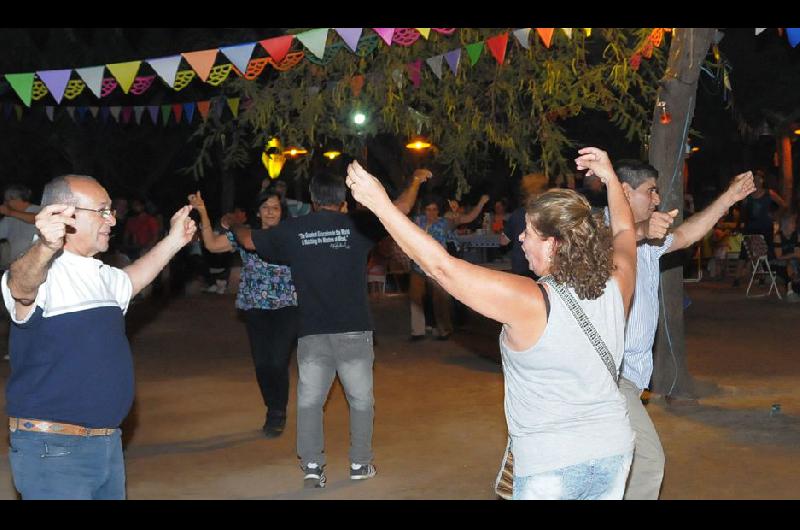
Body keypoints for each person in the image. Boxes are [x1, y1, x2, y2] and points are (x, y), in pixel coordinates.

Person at [345, 147, 638, 500]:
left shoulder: (531, 301)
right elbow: (625, 231)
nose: (520, 239)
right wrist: (609, 177)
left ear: (552, 245)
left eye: (528, 233)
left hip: (552, 463)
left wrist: (381, 206)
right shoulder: (617, 284)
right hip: (614, 450)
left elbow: (443, 268)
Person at [231, 167, 429, 488]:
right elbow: (399, 209)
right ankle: (360, 464)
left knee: (310, 401)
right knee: (361, 400)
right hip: (354, 329)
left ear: (312, 199)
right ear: (343, 199)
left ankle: (311, 467)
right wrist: (416, 180)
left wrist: (233, 223)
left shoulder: (293, 230)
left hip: (312, 330)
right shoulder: (358, 225)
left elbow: (249, 241)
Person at [2, 174, 195, 499]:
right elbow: (20, 287)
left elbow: (134, 279)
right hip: (54, 450)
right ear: (66, 214)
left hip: (106, 444)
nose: (113, 219)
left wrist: (174, 240)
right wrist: (46, 245)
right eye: (103, 211)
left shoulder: (101, 276)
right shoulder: (42, 275)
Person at [611, 160, 755, 499]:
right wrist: (641, 231)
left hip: (630, 378)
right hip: (609, 375)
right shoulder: (604, 230)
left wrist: (729, 198)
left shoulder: (647, 242)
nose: (658, 199)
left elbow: (688, 234)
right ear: (625, 192)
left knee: (613, 462)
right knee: (647, 462)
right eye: (650, 191)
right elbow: (605, 241)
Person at [188, 189, 298, 437]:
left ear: (282, 212)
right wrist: (204, 212)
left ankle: (277, 412)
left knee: (277, 361)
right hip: (255, 306)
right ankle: (272, 408)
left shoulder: (291, 234)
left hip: (287, 306)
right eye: (266, 207)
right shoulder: (247, 234)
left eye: (276, 207)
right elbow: (212, 245)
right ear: (258, 211)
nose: (270, 211)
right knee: (262, 364)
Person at [409, 193, 489, 340]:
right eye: (428, 209)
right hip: (418, 266)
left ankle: (444, 330)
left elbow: (468, 218)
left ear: (438, 211)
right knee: (415, 298)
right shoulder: (418, 221)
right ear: (424, 211)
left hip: (437, 268)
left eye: (434, 209)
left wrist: (481, 203)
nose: (431, 213)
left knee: (440, 299)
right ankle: (417, 332)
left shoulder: (444, 223)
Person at [0, 185, 41, 360]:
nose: (5, 204)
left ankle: (35, 350)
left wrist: (10, 213)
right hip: (13, 272)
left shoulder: (39, 210)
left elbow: (37, 220)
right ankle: (16, 350)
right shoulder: (9, 218)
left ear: (16, 200)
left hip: (38, 272)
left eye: (8, 200)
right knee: (12, 312)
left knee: (34, 312)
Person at [733, 170, 785, 286]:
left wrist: (776, 215)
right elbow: (743, 212)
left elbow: (783, 204)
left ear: (762, 180)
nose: (756, 181)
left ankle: (763, 276)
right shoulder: (748, 195)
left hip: (765, 227)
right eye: (754, 179)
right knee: (745, 251)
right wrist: (739, 225)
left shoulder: (769, 193)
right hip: (751, 227)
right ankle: (737, 278)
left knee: (764, 252)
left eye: (758, 179)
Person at [500, 173, 549, 278]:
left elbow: (503, 241)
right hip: (543, 265)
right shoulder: (549, 213)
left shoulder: (518, 214)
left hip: (521, 267)